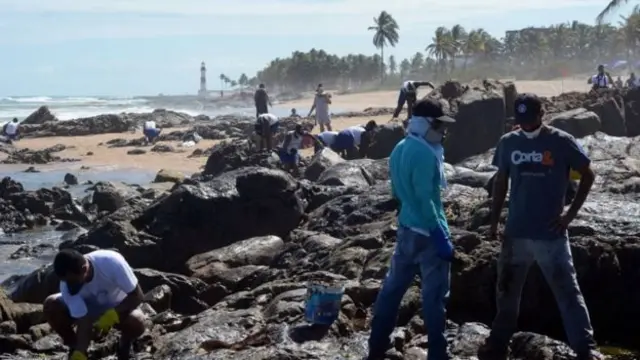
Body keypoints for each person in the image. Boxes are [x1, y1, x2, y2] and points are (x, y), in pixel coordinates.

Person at [478, 93, 600, 360]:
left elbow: (588, 174)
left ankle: (586, 349)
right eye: (521, 121)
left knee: (567, 292)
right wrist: (495, 220)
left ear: (542, 114)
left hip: (550, 234)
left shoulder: (561, 141)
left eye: (530, 120)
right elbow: (501, 181)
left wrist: (569, 215)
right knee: (507, 290)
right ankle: (498, 343)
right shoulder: (509, 142)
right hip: (516, 232)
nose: (526, 126)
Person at [366, 98, 456, 360]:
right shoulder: (425, 154)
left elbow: (396, 192)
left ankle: (376, 346)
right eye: (439, 125)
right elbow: (426, 198)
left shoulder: (399, 148)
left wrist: (410, 215)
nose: (443, 131)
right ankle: (438, 353)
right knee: (434, 298)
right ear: (424, 123)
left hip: (406, 229)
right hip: (430, 234)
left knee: (392, 290)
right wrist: (439, 234)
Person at [43, 249, 146, 360]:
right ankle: (74, 348)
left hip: (117, 306)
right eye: (66, 282)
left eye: (73, 282)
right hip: (89, 310)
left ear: (84, 269)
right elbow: (83, 321)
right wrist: (80, 353)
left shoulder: (111, 262)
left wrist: (112, 314)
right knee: (51, 305)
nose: (69, 286)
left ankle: (124, 345)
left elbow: (138, 296)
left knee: (137, 320)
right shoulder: (67, 285)